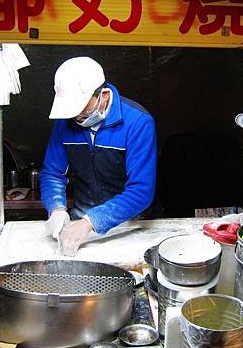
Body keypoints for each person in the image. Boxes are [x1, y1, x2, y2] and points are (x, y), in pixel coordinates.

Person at [40, 56, 158, 256]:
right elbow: (52, 173)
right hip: (79, 220)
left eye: (83, 111)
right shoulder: (65, 122)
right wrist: (56, 209)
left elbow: (141, 191)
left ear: (103, 95)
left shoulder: (138, 123)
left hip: (131, 224)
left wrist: (91, 222)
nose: (77, 117)